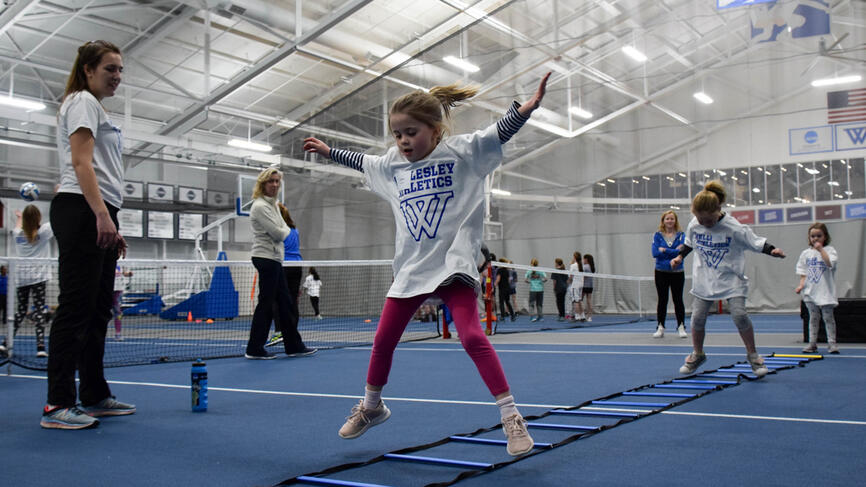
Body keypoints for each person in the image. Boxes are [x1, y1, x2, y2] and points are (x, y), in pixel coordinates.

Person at [303, 72, 551, 456]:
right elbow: (363, 161)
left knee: (471, 337)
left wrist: (524, 110)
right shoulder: (391, 165)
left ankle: (511, 416)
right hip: (412, 269)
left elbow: (497, 133)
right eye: (398, 134)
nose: (403, 141)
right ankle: (372, 407)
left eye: (411, 132)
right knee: (383, 340)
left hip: (453, 266)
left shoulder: (462, 153)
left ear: (435, 130)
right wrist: (330, 151)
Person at [43, 40, 135, 429]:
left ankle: (94, 395)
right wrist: (100, 214)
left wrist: (111, 220)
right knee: (76, 308)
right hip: (79, 208)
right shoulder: (80, 100)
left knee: (98, 310)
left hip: (99, 210)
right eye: (109, 69)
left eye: (119, 70)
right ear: (87, 70)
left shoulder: (97, 108)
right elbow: (82, 164)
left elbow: (103, 171)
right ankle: (57, 405)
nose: (116, 76)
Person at [670, 181, 785, 377]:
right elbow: (690, 243)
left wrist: (772, 250)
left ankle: (753, 356)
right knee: (697, 319)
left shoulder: (733, 227)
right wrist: (680, 256)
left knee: (739, 315)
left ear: (718, 210)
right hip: (705, 279)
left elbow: (755, 242)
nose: (704, 223)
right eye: (700, 219)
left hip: (732, 278)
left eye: (708, 220)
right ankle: (698, 354)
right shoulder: (694, 224)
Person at [246, 167, 316, 359]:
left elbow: (283, 227)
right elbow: (280, 233)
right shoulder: (260, 206)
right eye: (271, 181)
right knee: (266, 304)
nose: (275, 185)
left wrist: (282, 230)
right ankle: (254, 348)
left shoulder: (274, 205)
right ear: (263, 184)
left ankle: (293, 345)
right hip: (265, 258)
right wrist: (283, 231)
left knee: (285, 303)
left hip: (276, 259)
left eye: (277, 181)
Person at [0, 207, 53, 358]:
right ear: (39, 217)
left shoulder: (18, 235)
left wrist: (19, 217)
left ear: (24, 220)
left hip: (22, 278)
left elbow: (17, 226)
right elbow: (57, 217)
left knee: (21, 312)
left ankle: (5, 343)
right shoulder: (43, 232)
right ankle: (40, 347)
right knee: (39, 311)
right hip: (38, 278)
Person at [795, 222, 839, 354]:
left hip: (825, 291)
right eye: (812, 236)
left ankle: (832, 343)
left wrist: (821, 250)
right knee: (813, 318)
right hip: (810, 291)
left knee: (828, 318)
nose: (815, 239)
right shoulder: (805, 254)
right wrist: (801, 285)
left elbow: (829, 264)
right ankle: (812, 343)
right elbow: (803, 272)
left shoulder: (830, 251)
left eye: (818, 236)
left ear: (825, 236)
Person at [266, 203, 305, 346]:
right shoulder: (295, 231)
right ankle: (292, 333)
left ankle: (278, 332)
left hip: (283, 266)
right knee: (293, 301)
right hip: (297, 267)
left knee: (276, 300)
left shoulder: (278, 230)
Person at [652, 210, 687, 338]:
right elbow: (655, 253)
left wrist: (665, 250)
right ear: (663, 221)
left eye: (672, 219)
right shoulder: (657, 235)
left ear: (675, 221)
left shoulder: (681, 235)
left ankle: (681, 326)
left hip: (677, 272)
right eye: (667, 219)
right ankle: (660, 326)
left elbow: (682, 251)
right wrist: (672, 251)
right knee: (662, 300)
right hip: (661, 272)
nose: (670, 221)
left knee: (678, 300)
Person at [111, 265, 132, 341]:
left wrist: (129, 274)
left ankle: (118, 334)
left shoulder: (122, 263)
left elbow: (125, 273)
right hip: (108, 290)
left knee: (118, 313)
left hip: (118, 291)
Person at [524, 258, 547, 322]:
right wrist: (541, 281)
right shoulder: (540, 270)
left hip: (533, 290)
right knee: (539, 304)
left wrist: (531, 282)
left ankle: (532, 317)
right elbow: (545, 279)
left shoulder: (529, 270)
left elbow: (525, 280)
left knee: (531, 304)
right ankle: (541, 317)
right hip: (540, 290)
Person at [567, 252, 584, 322]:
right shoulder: (581, 265)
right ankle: (582, 315)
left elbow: (570, 276)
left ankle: (577, 317)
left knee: (575, 301)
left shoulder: (573, 265)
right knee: (579, 300)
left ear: (575, 257)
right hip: (581, 284)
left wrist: (568, 281)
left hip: (575, 285)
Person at [581, 254, 595, 322]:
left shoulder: (585, 267)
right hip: (590, 286)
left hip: (584, 286)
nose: (583, 260)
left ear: (587, 259)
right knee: (589, 301)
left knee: (579, 300)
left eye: (584, 259)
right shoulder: (592, 267)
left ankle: (582, 315)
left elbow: (583, 276)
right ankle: (589, 317)